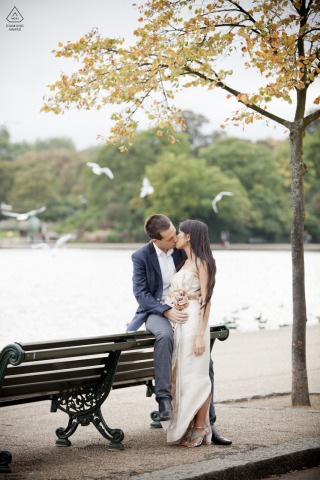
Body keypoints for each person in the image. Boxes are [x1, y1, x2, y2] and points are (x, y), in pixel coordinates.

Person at [126, 214, 231, 446]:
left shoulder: (184, 251)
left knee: (205, 365)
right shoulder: (141, 256)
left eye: (176, 233)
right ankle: (163, 399)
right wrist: (166, 310)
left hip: (187, 315)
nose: (175, 238)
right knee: (164, 336)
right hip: (156, 313)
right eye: (170, 237)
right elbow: (141, 295)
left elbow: (203, 288)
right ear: (156, 240)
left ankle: (208, 423)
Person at [162, 219, 217, 447]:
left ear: (190, 237)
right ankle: (191, 425)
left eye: (180, 233)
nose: (177, 237)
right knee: (185, 375)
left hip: (195, 322)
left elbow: (206, 300)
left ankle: (201, 428)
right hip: (181, 322)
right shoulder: (185, 261)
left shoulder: (203, 263)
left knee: (199, 377)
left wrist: (200, 334)